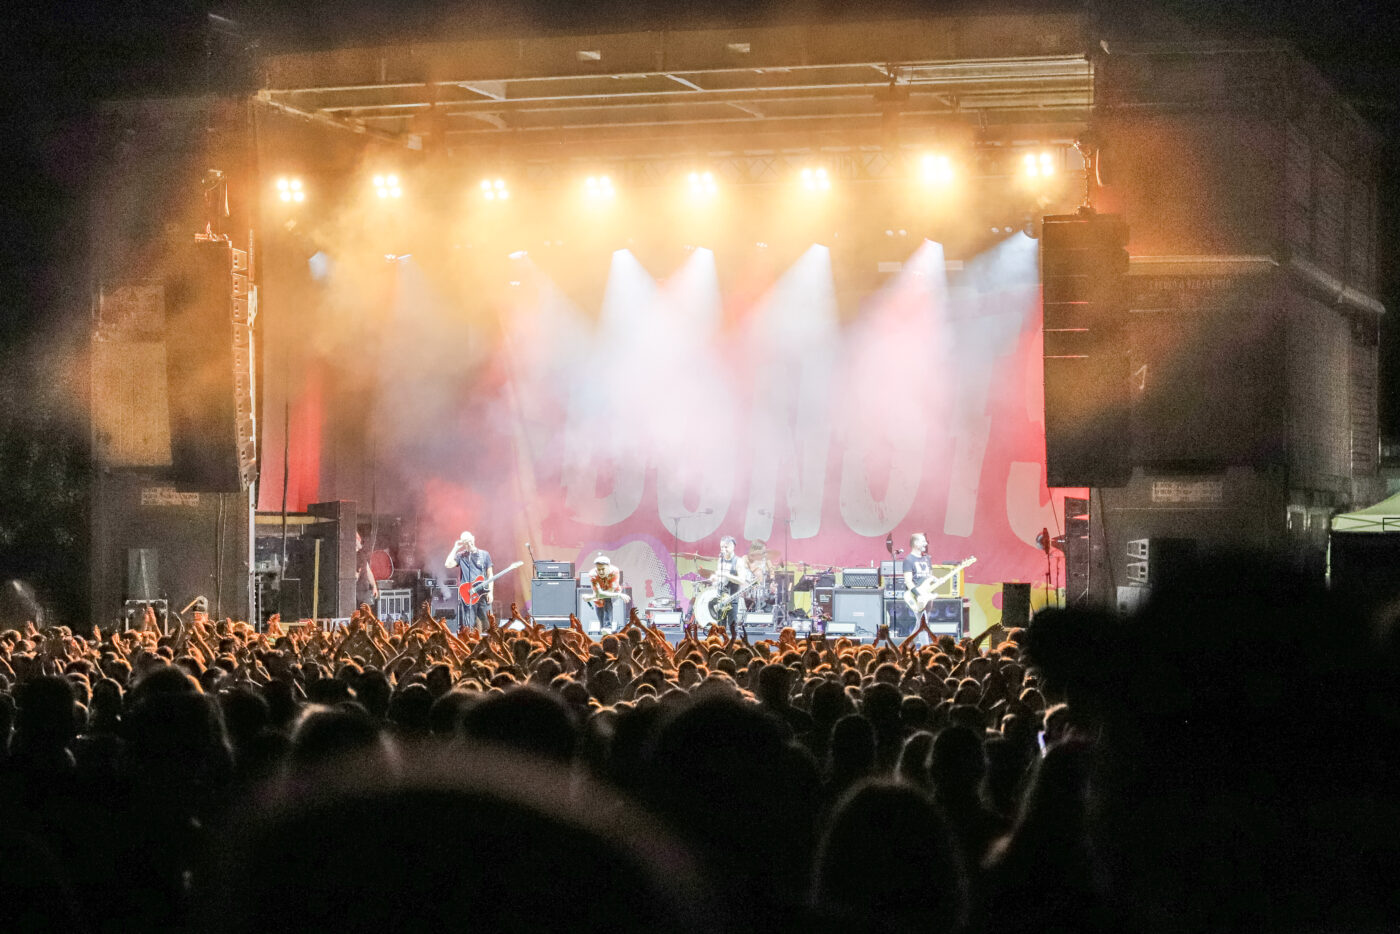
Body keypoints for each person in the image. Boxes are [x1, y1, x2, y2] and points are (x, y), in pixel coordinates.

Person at [445, 531, 492, 628]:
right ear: (463, 543)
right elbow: (448, 564)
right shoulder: (461, 555)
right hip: (468, 594)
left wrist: (490, 592)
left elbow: (490, 574)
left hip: (483, 593)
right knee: (469, 626)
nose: (469, 544)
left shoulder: (484, 555)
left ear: (473, 538)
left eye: (470, 540)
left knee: (488, 624)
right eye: (466, 542)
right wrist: (455, 548)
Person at [709, 536, 752, 630]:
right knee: (720, 626)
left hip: (732, 597)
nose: (723, 549)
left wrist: (726, 574)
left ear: (733, 547)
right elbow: (720, 577)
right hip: (721, 597)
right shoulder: (721, 559)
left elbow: (741, 580)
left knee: (732, 626)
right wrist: (715, 578)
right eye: (722, 547)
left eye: (726, 547)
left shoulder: (738, 561)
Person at [898, 532, 933, 635]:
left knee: (922, 624)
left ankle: (907, 646)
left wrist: (937, 581)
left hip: (927, 595)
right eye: (923, 541)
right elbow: (908, 581)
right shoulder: (908, 560)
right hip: (916, 596)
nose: (926, 544)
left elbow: (930, 577)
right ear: (916, 543)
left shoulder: (927, 558)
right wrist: (918, 595)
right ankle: (924, 648)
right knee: (923, 624)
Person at [589, 556, 622, 633]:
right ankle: (603, 629)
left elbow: (609, 593)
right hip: (599, 594)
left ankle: (608, 626)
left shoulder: (614, 572)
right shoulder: (592, 574)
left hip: (613, 592)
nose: (600, 572)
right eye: (598, 569)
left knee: (607, 599)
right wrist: (594, 597)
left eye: (603, 569)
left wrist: (619, 595)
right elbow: (598, 594)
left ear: (608, 566)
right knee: (599, 605)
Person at [355, 530, 379, 609]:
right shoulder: (351, 555)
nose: (359, 540)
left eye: (359, 538)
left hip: (364, 591)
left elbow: (369, 572)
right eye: (357, 538)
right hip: (356, 593)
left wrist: (374, 586)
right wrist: (355, 576)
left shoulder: (362, 554)